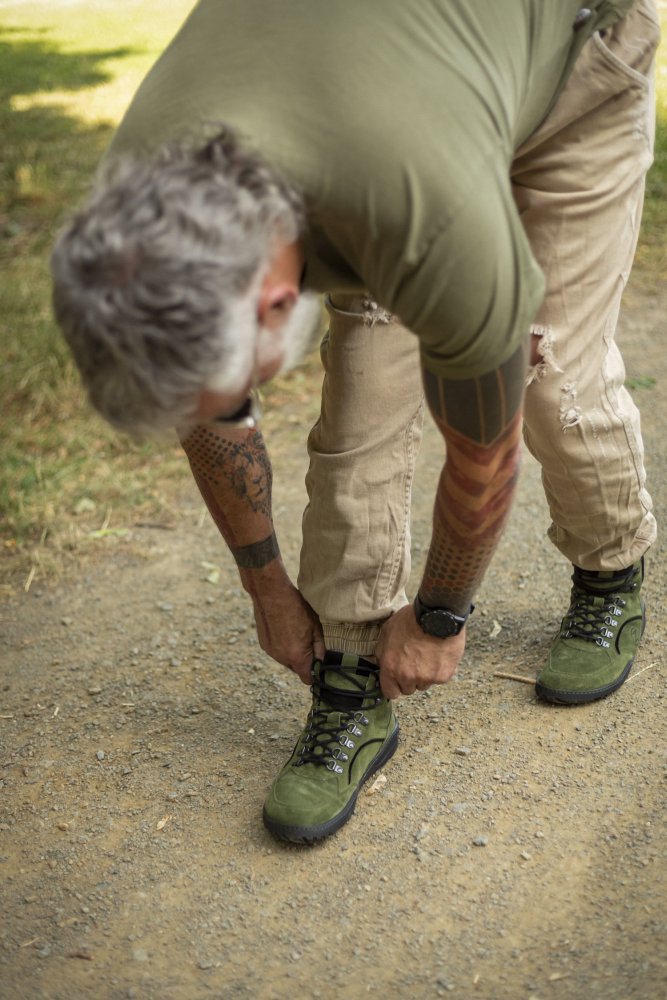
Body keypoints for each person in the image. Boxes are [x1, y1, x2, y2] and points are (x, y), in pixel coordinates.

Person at [50, 0, 659, 843]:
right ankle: (349, 668)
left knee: (552, 378)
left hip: (575, 63)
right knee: (362, 400)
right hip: (400, 108)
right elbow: (200, 395)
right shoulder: (140, 210)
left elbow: (482, 456)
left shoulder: (423, 215)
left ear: (275, 299)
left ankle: (609, 568)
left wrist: (441, 617)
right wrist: (267, 590)